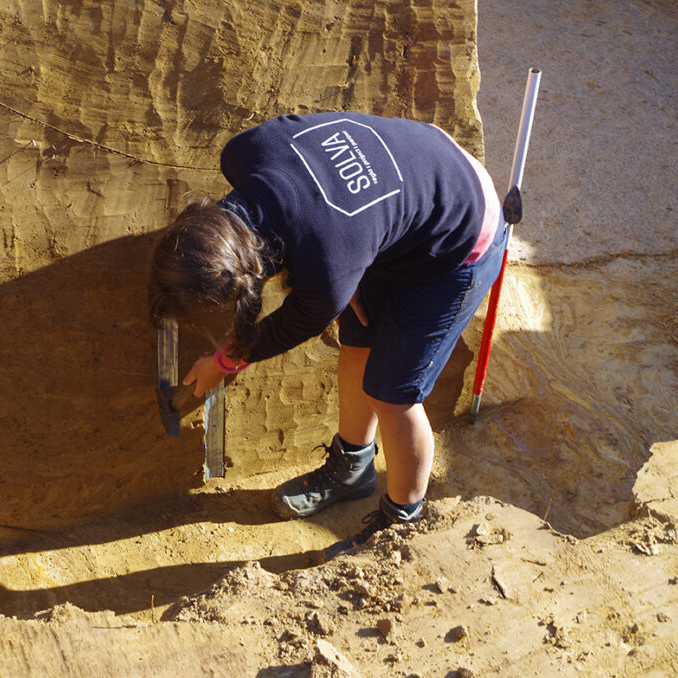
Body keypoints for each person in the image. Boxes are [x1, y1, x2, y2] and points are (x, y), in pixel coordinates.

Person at [149, 112, 504, 559]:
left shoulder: (328, 265)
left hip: (460, 236)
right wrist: (346, 267)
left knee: (394, 393)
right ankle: (352, 470)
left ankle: (398, 526)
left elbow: (296, 320)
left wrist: (223, 361)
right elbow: (327, 228)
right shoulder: (243, 153)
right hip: (405, 190)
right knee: (358, 343)